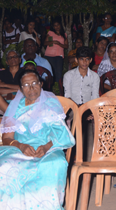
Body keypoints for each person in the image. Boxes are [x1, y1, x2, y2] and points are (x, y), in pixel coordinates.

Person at [0, 70, 75, 209]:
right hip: (19, 149)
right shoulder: (15, 107)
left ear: (41, 84)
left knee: (55, 163)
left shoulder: (51, 104)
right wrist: (21, 146)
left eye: (35, 83)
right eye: (26, 85)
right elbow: (7, 138)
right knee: (4, 165)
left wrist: (46, 147)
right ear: (21, 89)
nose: (31, 88)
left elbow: (61, 134)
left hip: (48, 148)